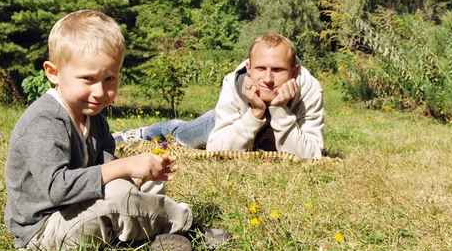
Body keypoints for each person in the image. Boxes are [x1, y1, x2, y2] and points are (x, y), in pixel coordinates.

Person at [4, 10, 227, 251]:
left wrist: (137, 174)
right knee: (119, 199)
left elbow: (108, 171)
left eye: (110, 78)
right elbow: (58, 188)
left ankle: (155, 237)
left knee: (137, 187)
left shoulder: (95, 119)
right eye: (88, 79)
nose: (100, 92)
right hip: (45, 232)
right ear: (53, 72)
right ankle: (188, 228)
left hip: (78, 210)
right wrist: (125, 166)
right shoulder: (44, 120)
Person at [114, 34, 324, 160]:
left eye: (277, 70)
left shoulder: (310, 91)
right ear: (249, 69)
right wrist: (255, 113)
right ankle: (144, 131)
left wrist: (279, 111)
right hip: (233, 120)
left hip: (275, 124)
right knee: (182, 135)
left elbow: (312, 156)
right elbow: (218, 150)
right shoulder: (233, 84)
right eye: (261, 69)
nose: (267, 79)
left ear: (294, 72)